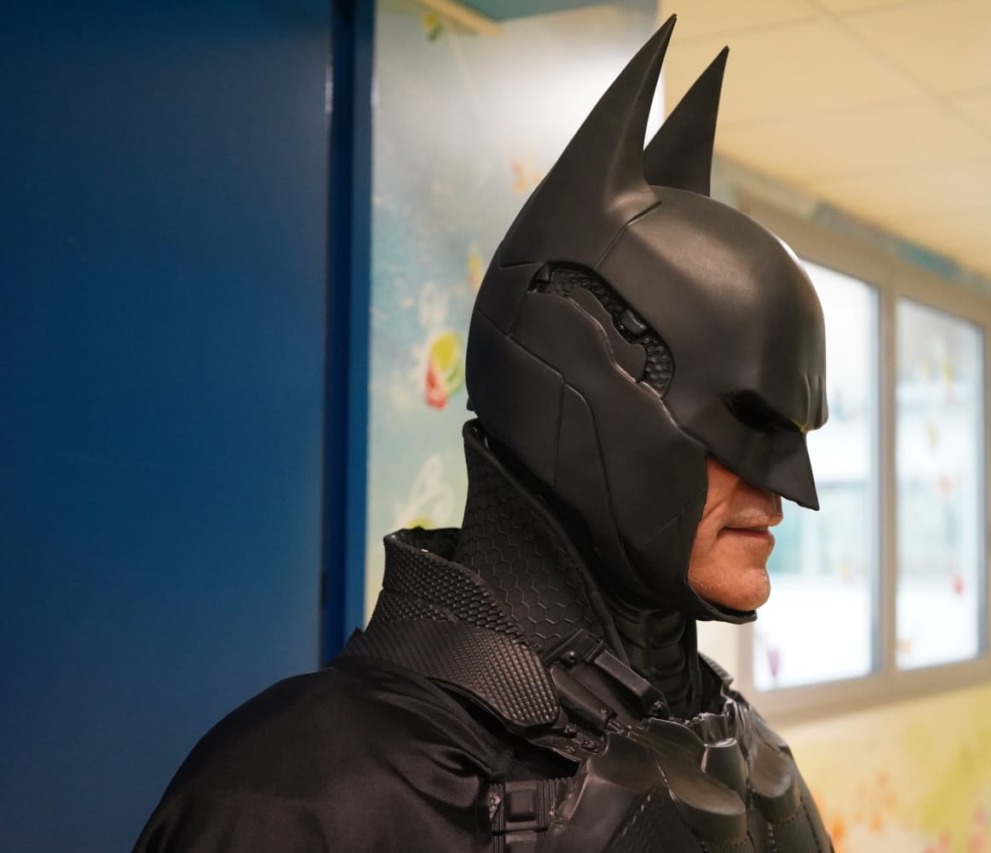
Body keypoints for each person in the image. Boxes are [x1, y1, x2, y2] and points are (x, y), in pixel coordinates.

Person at [136, 16, 833, 852]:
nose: (790, 490)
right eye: (748, 423)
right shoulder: (297, 797)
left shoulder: (737, 753)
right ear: (583, 400)